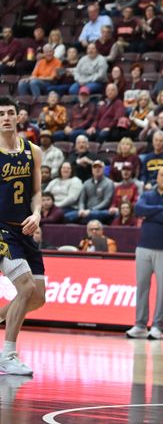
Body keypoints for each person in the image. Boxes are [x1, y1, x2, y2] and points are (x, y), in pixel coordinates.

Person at [0, 97, 46, 376]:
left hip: (25, 227)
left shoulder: (33, 150)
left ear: (18, 117)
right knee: (26, 288)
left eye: (10, 113)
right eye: (1, 114)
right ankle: (8, 354)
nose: (5, 117)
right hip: (2, 228)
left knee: (37, 298)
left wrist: (38, 213)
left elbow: (37, 192)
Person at [127, 165, 163, 339]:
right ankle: (140, 325)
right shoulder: (147, 194)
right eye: (162, 175)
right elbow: (138, 209)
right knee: (142, 287)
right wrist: (161, 209)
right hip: (144, 247)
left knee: (162, 289)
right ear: (157, 176)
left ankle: (157, 326)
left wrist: (150, 213)